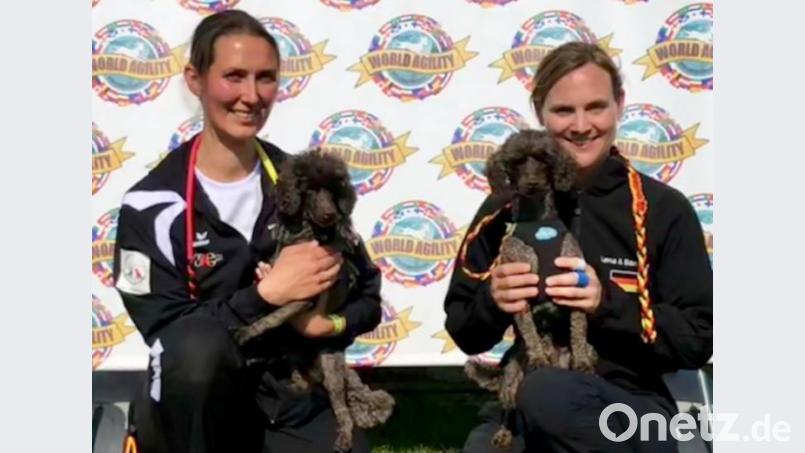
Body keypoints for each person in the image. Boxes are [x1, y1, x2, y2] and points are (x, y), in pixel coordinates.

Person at [112, 10, 381, 453]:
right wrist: (266, 295)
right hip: (196, 395)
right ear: (195, 80)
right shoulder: (152, 203)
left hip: (287, 388)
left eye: (266, 78)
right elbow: (171, 339)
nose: (251, 96)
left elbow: (368, 297)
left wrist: (325, 323)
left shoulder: (307, 184)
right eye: (234, 76)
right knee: (196, 355)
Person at [444, 41, 713, 452]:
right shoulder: (504, 209)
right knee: (524, 409)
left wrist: (606, 303)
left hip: (631, 404)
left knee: (549, 393)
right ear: (540, 113)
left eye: (596, 107)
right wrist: (493, 299)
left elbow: (697, 340)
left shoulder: (662, 209)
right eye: (563, 111)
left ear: (619, 106)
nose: (581, 125)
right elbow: (465, 331)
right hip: (528, 401)